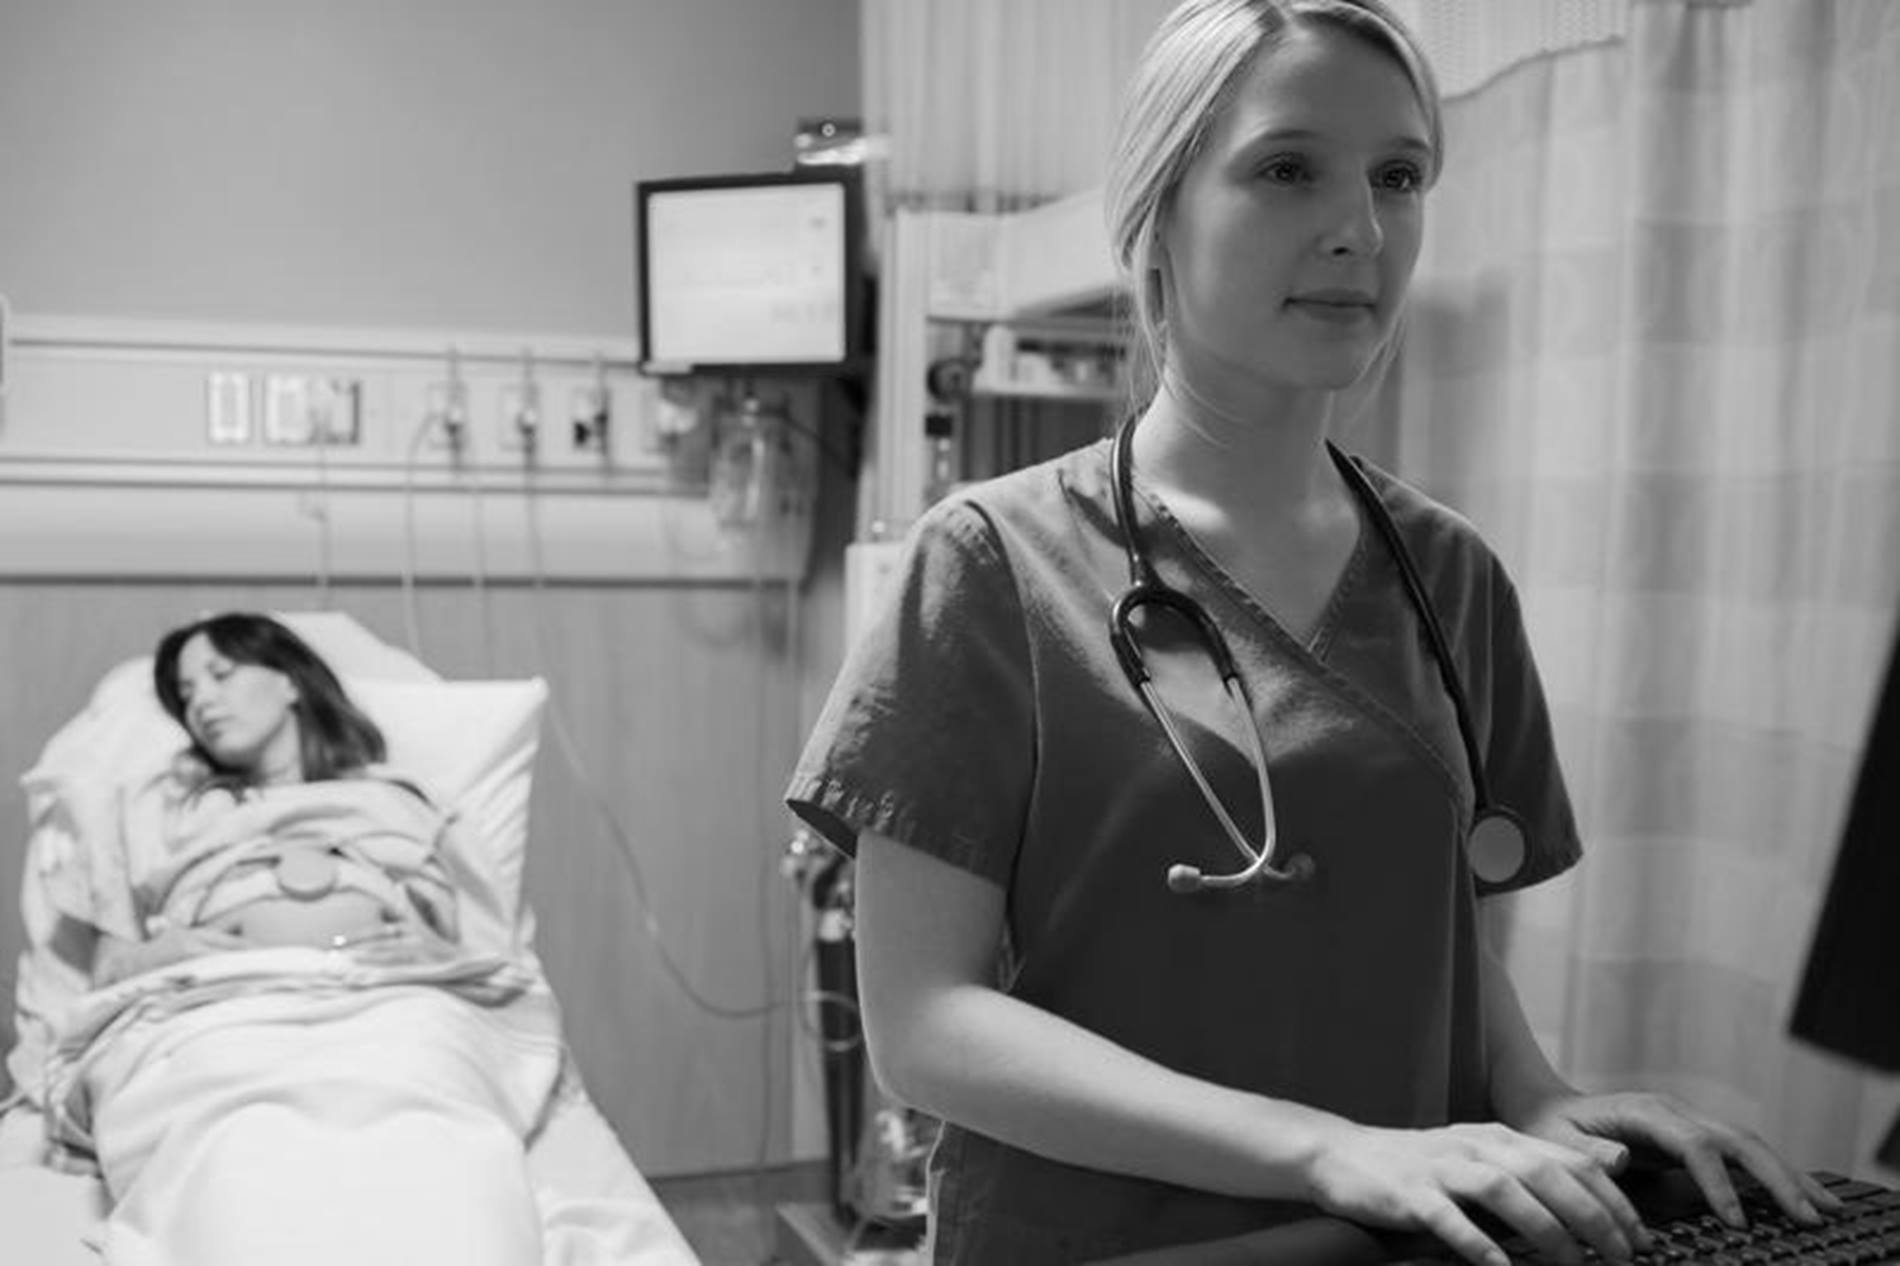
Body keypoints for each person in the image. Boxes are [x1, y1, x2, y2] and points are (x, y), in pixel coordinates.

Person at [785, 3, 1839, 1262]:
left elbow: (1430, 929)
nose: (1360, 230)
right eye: (1287, 169)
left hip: (1400, 1243)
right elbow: (926, 1030)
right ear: (1159, 211)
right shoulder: (990, 564)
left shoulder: (1448, 574)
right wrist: (1326, 1150)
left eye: (1398, 177)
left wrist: (1535, 1093)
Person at [71, 612, 464, 986]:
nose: (201, 703)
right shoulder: (167, 808)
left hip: (392, 994)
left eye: (221, 675)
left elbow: (488, 950)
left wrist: (440, 956)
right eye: (186, 695)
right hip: (217, 1002)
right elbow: (108, 969)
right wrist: (154, 957)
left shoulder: (398, 801)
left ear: (291, 681)